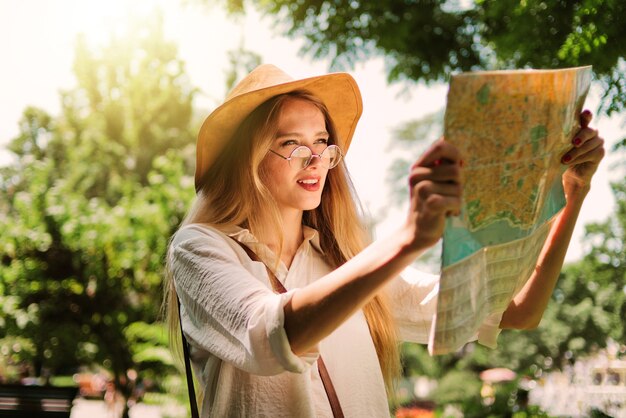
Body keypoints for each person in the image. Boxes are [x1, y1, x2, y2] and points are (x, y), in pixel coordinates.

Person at [164, 64, 605, 417]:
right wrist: (409, 238)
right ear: (248, 158)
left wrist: (571, 193)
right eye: (292, 144)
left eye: (323, 142)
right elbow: (270, 334)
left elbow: (520, 311)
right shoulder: (201, 247)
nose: (317, 160)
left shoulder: (344, 262)